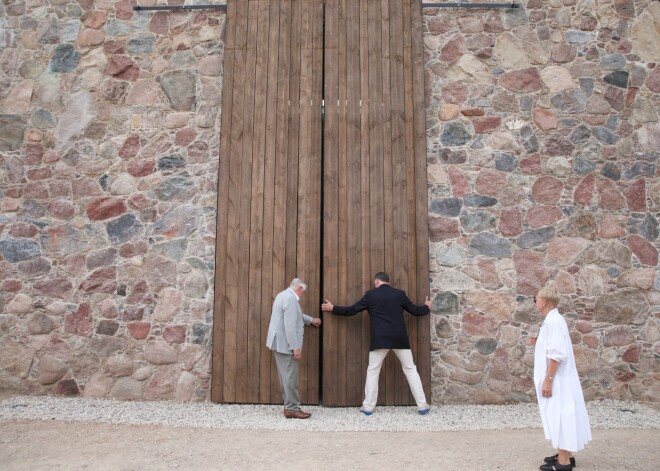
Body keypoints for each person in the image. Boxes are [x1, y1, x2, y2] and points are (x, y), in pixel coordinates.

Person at [321, 272, 432, 415]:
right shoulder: (400, 294)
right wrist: (427, 307)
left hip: (380, 339)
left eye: (375, 283)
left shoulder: (371, 295)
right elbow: (416, 311)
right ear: (388, 281)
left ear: (377, 281)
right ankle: (422, 405)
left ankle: (368, 407)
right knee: (410, 369)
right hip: (400, 338)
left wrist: (333, 308)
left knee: (373, 371)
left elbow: (352, 310)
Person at [532, 283, 591, 471]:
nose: (534, 303)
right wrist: (539, 340)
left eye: (535, 300)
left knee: (560, 415)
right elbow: (553, 344)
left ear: (544, 301)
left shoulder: (553, 321)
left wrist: (548, 379)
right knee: (561, 414)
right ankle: (566, 454)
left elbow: (557, 354)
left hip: (558, 379)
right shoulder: (553, 319)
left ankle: (564, 462)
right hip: (560, 378)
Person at [266, 278, 321, 419]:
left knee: (286, 376)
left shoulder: (283, 295)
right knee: (290, 377)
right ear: (299, 289)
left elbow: (294, 315)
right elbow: (290, 325)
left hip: (278, 343)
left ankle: (289, 407)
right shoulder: (291, 299)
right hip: (286, 344)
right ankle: (292, 409)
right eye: (303, 292)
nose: (303, 295)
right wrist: (295, 347)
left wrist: (310, 320)